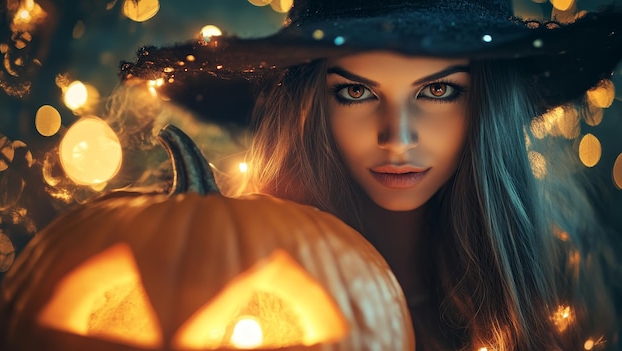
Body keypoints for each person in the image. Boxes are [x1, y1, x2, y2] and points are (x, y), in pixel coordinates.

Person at [120, 0, 622, 349]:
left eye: (439, 91)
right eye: (356, 92)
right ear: (311, 105)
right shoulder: (233, 288)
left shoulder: (557, 286)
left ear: (485, 106)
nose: (398, 137)